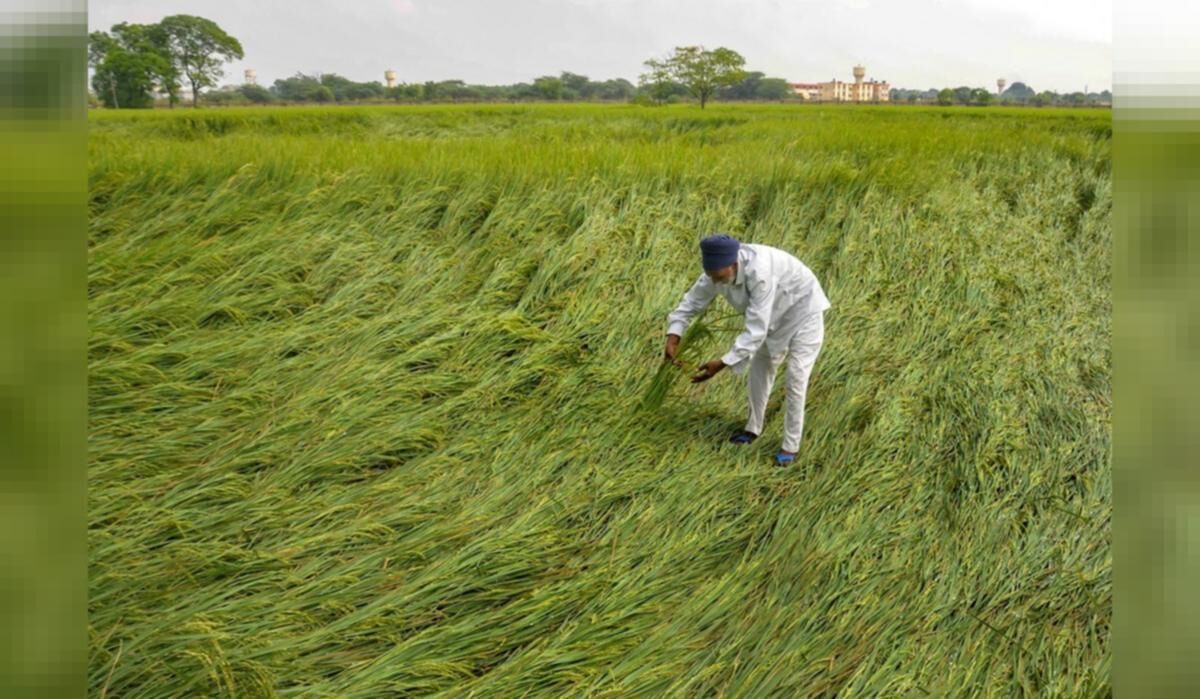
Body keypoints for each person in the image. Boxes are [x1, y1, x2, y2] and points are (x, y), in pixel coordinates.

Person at [664, 233, 830, 465]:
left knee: (796, 378)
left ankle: (790, 446)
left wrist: (721, 363)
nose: (715, 281)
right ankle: (753, 429)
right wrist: (673, 337)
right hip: (770, 317)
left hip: (803, 312)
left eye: (719, 276)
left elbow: (755, 331)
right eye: (711, 276)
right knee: (759, 371)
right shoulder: (714, 275)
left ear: (733, 264)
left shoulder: (759, 272)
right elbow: (689, 304)